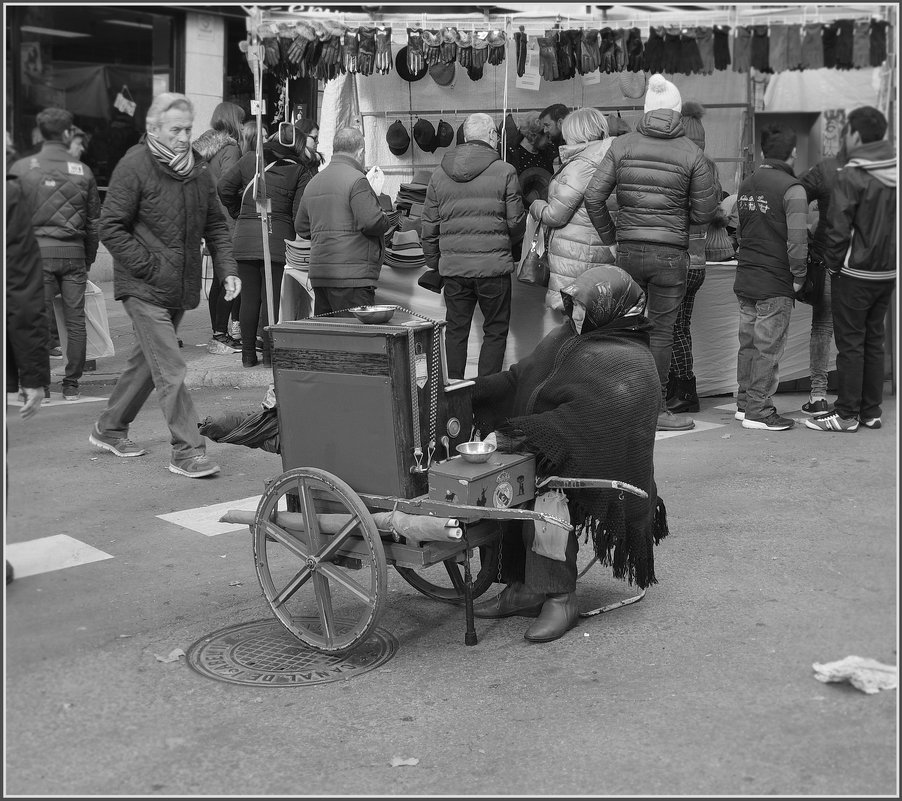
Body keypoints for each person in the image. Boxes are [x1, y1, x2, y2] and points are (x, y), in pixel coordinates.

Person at [470, 265, 668, 642]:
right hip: (546, 444)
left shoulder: (629, 358)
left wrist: (519, 437)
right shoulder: (569, 334)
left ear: (608, 308)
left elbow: (588, 424)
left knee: (548, 489)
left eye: (581, 307)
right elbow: (520, 376)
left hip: (595, 460)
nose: (572, 314)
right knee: (506, 478)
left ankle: (561, 598)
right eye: (571, 305)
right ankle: (523, 588)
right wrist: (465, 391)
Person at [89, 92, 240, 478]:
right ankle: (188, 451)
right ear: (153, 128)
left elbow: (217, 226)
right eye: (176, 129)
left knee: (147, 362)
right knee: (171, 366)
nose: (184, 136)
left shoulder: (198, 171)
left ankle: (109, 428)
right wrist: (149, 266)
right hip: (142, 286)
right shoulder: (134, 165)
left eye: (188, 128)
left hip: (179, 286)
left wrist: (228, 270)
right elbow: (110, 226)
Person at [584, 74, 718, 431]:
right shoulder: (692, 152)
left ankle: (623, 403)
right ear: (676, 111)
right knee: (661, 332)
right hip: (671, 255)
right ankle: (655, 412)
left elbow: (593, 196)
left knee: (629, 329)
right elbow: (706, 210)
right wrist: (680, 223)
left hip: (628, 250)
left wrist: (612, 239)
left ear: (645, 109)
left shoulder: (622, 144)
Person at [805, 106, 896, 433]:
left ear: (856, 135)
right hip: (887, 272)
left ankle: (845, 415)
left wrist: (833, 265)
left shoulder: (851, 175)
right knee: (875, 340)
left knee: (851, 343)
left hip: (853, 272)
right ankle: (870, 412)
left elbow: (838, 230)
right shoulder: (894, 170)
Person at [420, 112, 526, 379]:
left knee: (456, 330)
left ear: (465, 137)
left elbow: (429, 226)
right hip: (493, 268)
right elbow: (516, 223)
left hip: (454, 269)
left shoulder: (438, 175)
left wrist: (435, 263)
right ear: (492, 136)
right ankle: (485, 399)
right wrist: (507, 248)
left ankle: (453, 397)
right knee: (495, 331)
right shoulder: (505, 171)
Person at [10, 107, 101, 402]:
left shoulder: (23, 169)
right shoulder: (82, 171)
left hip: (36, 256)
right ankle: (71, 383)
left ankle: (42, 384)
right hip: (73, 253)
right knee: (75, 319)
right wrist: (88, 258)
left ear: (39, 133)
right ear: (66, 133)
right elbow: (92, 223)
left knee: (38, 318)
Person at [219, 118, 318, 367]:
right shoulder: (299, 171)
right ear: (297, 147)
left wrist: (238, 213)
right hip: (277, 239)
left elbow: (223, 188)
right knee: (271, 299)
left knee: (249, 299)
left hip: (244, 239)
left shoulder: (249, 159)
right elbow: (299, 217)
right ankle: (270, 357)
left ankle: (247, 356)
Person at [733, 124, 808, 431]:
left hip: (747, 276)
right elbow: (798, 241)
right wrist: (799, 276)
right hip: (775, 279)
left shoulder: (746, 183)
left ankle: (743, 404)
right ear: (793, 153)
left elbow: (739, 231)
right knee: (767, 347)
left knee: (749, 344)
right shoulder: (793, 189)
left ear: (763, 151)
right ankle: (759, 411)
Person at [526, 107, 617, 315]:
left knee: (577, 323)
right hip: (598, 249)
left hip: (576, 256)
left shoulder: (582, 165)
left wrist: (536, 206)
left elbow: (555, 215)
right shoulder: (610, 158)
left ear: (575, 131)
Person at [294, 127, 391, 318]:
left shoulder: (314, 181)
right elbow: (371, 221)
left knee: (331, 339)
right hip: (353, 276)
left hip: (321, 274)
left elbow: (301, 227)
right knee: (356, 341)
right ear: (361, 152)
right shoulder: (357, 180)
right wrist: (385, 216)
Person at [667, 100, 723, 414]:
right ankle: (684, 389)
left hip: (678, 257)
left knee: (671, 328)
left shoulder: (683, 166)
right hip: (698, 260)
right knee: (681, 327)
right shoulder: (710, 167)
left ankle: (683, 390)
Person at [797, 144, 847, 415]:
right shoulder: (877, 171)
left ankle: (818, 396)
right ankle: (855, 399)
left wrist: (805, 236)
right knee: (855, 332)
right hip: (861, 264)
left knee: (823, 328)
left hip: (828, 257)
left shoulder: (825, 170)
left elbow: (795, 193)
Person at [194, 101, 246, 355]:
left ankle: (217, 333)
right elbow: (228, 184)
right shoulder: (231, 148)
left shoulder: (203, 149)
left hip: (208, 219)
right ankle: (222, 334)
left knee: (218, 278)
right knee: (229, 277)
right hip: (227, 221)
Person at [507, 111, 554, 177]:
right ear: (534, 135)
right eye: (547, 136)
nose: (549, 141)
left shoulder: (546, 153)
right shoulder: (513, 154)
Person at [538, 102, 569, 168]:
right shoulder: (563, 143)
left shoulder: (571, 145)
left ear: (560, 123)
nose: (545, 130)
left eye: (547, 125)